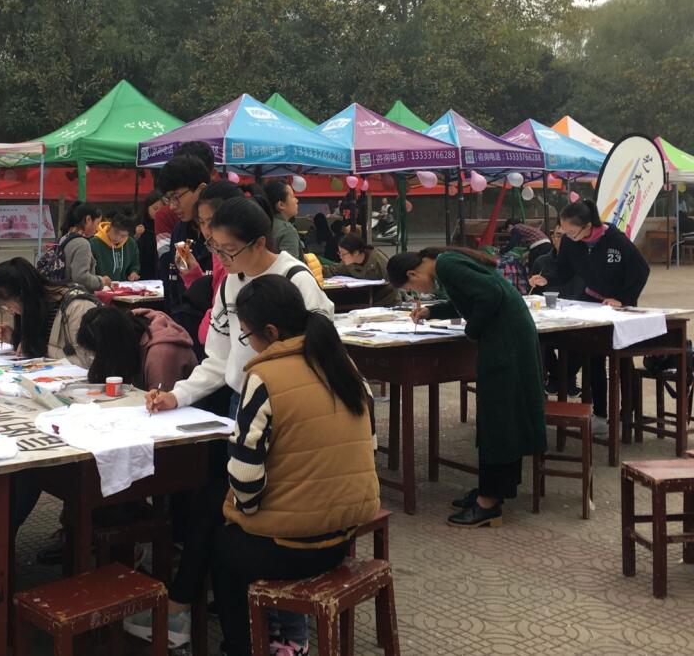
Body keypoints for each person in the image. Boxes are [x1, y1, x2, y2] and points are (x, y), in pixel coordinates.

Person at [137, 197, 335, 645]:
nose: (221, 260)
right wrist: (176, 395)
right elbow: (218, 360)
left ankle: (285, 628)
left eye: (228, 250)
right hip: (241, 408)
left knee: (259, 511)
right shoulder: (229, 284)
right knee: (233, 508)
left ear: (259, 243)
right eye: (215, 248)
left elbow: (323, 350)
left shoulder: (295, 280)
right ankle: (249, 619)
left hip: (291, 413)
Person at [211, 275, 380, 656]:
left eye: (247, 334)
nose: (248, 342)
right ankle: (280, 631)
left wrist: (245, 512)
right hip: (343, 536)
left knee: (221, 545)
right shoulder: (343, 364)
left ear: (271, 332)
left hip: (292, 547)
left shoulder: (264, 377)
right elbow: (368, 445)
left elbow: (246, 477)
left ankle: (243, 646)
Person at [387, 247, 547, 527]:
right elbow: (471, 298)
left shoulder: (447, 266)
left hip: (505, 343)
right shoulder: (446, 263)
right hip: (509, 337)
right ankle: (495, 489)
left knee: (497, 418)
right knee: (501, 416)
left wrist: (472, 331)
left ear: (412, 273)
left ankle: (489, 502)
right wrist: (432, 311)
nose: (417, 292)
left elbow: (490, 296)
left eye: (412, 289)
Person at [528, 199, 650, 433]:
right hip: (592, 302)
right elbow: (563, 271)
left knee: (623, 360)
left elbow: (641, 271)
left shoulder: (615, 240)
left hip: (619, 306)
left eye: (572, 232)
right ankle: (600, 415)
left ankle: (627, 415)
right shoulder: (570, 242)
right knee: (593, 357)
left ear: (588, 226)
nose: (567, 237)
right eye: (563, 232)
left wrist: (623, 299)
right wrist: (547, 279)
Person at [0, 257, 101, 363]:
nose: (12, 312)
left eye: (9, 307)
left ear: (24, 296)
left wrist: (40, 348)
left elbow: (87, 360)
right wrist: (14, 338)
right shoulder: (38, 308)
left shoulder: (78, 307)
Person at [156, 154, 213, 347]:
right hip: (185, 333)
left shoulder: (225, 231)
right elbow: (179, 280)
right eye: (168, 199)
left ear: (201, 189)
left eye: (176, 197)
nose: (172, 206)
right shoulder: (181, 231)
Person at [179, 180, 243, 347]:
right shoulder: (217, 251)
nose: (207, 230)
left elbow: (208, 332)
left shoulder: (237, 259)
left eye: (212, 220)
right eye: (201, 222)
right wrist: (193, 278)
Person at [75, 305, 197, 391]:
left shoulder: (161, 354)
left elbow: (159, 404)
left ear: (110, 349)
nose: (95, 358)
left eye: (97, 353)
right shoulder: (128, 331)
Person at [532, 225, 586, 396]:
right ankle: (560, 376)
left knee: (588, 340)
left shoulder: (584, 262)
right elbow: (534, 295)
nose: (561, 240)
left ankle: (563, 377)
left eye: (566, 236)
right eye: (557, 235)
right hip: (548, 319)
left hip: (579, 318)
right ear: (552, 238)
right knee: (534, 337)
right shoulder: (541, 262)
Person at [324, 234, 399, 306]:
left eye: (343, 254)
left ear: (356, 252)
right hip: (362, 300)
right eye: (339, 253)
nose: (341, 257)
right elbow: (333, 271)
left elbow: (394, 282)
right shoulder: (348, 263)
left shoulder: (378, 260)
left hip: (384, 301)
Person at [59, 201, 109, 291]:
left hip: (63, 292)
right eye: (97, 223)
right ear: (88, 219)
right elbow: (80, 277)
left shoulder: (65, 237)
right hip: (76, 295)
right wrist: (101, 281)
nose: (97, 229)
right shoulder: (82, 244)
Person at [90, 212, 142, 283]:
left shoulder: (131, 243)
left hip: (123, 285)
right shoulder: (94, 243)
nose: (117, 238)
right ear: (109, 227)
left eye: (123, 236)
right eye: (115, 232)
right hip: (100, 285)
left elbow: (135, 263)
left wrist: (133, 272)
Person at [264, 179, 305, 261]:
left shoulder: (262, 224)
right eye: (292, 197)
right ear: (281, 205)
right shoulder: (287, 230)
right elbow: (290, 265)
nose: (296, 200)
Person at [136, 190, 163, 280]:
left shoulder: (166, 225)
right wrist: (136, 236)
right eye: (155, 208)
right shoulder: (139, 223)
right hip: (142, 271)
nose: (158, 212)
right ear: (147, 208)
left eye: (162, 209)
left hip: (161, 270)